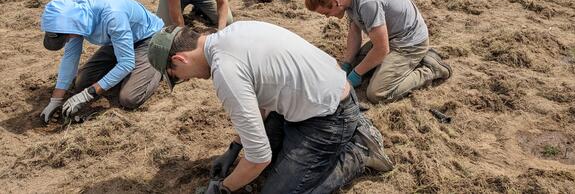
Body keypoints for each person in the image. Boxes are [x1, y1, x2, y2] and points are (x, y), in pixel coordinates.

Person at [147, 21, 393, 194]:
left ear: (180, 59)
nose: (185, 80)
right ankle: (346, 134)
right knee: (269, 164)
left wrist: (223, 189)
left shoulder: (225, 70)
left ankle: (359, 152)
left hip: (329, 118)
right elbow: (260, 104)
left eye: (176, 76)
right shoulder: (235, 30)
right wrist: (235, 147)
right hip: (321, 98)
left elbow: (258, 158)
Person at [302, 0, 452, 104]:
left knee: (377, 93)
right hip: (391, 37)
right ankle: (409, 64)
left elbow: (381, 49)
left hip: (409, 42)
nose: (328, 17)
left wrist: (356, 74)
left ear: (335, 3)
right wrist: (347, 64)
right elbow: (355, 32)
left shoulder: (367, 2)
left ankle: (432, 69)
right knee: (357, 62)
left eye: (326, 13)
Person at [39, 0, 164, 124]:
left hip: (148, 38)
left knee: (129, 98)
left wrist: (89, 94)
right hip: (116, 40)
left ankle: (159, 62)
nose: (68, 40)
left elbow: (127, 63)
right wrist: (55, 101)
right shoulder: (71, 15)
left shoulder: (112, 15)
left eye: (67, 37)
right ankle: (129, 74)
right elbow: (70, 57)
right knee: (82, 82)